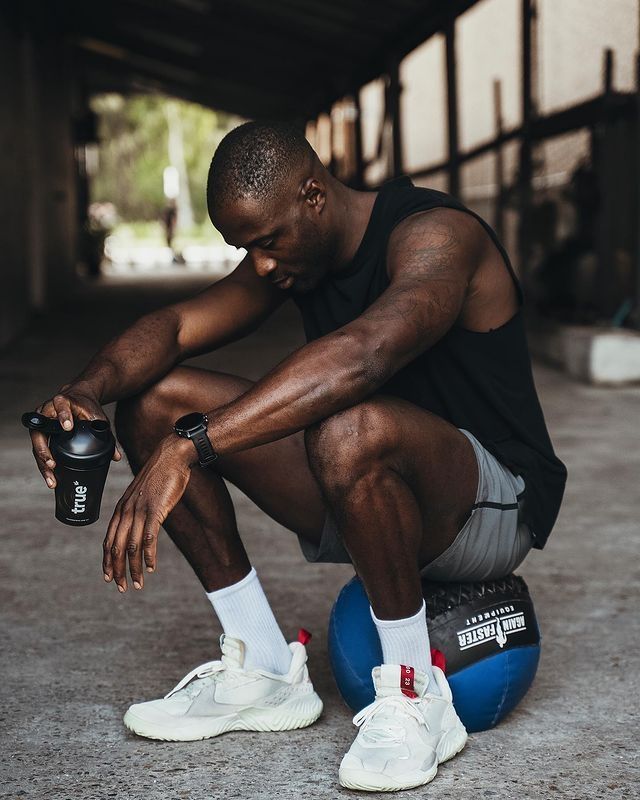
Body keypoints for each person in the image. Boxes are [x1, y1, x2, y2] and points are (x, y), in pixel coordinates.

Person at [30, 121, 567, 793]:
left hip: (491, 504)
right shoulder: (296, 255)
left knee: (346, 424)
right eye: (243, 248)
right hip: (369, 489)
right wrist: (86, 390)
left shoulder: (437, 236)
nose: (258, 264)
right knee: (155, 403)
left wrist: (191, 448)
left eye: (265, 241)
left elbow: (364, 354)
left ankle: (412, 692)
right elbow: (173, 328)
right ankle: (261, 668)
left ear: (313, 194)